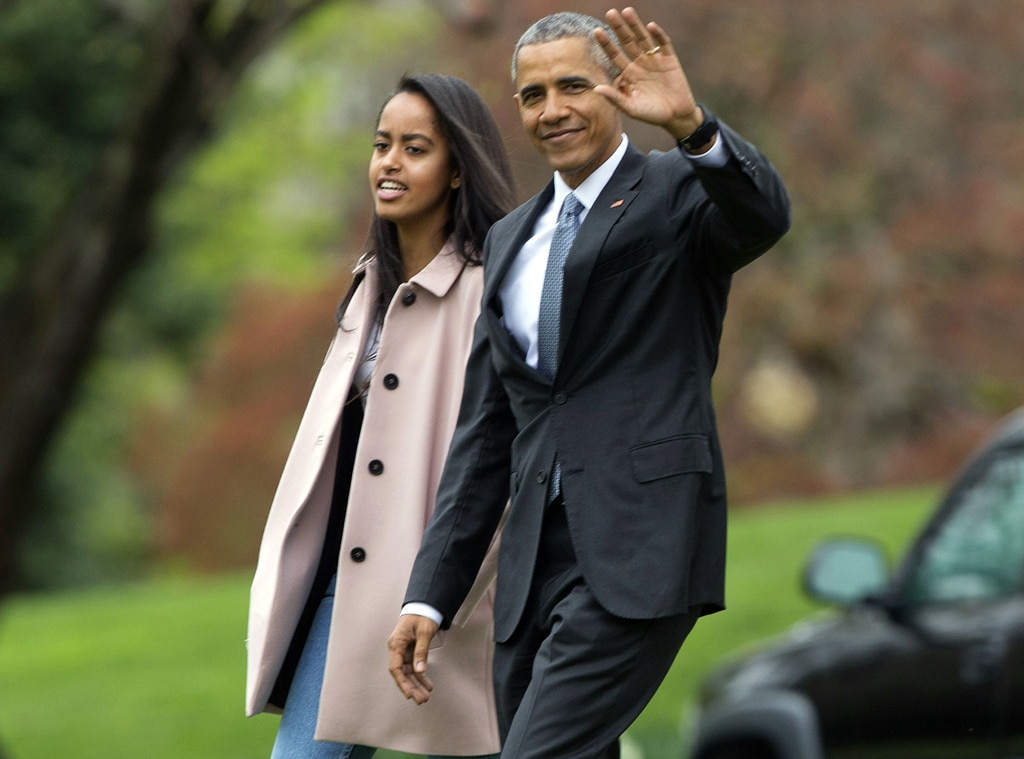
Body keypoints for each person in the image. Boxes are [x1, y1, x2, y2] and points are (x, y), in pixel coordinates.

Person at [388, 8, 791, 758]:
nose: (554, 110)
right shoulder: (510, 239)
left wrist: (694, 128)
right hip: (533, 568)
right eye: (534, 95)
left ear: (617, 89)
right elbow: (487, 431)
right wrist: (429, 592)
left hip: (643, 543)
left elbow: (763, 215)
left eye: (574, 85)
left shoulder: (676, 191)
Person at [246, 74, 515, 759]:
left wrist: (440, 591)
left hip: (438, 587)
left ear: (458, 170)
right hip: (340, 582)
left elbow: (500, 449)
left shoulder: (491, 290)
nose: (389, 163)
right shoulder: (370, 281)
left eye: (415, 148)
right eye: (382, 144)